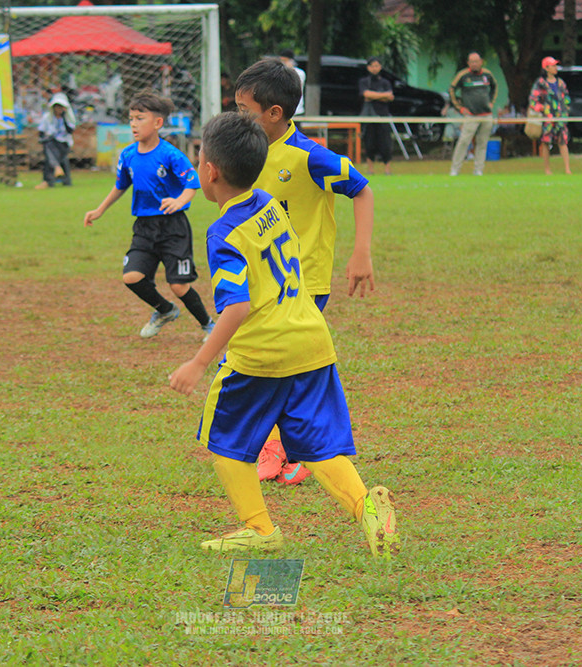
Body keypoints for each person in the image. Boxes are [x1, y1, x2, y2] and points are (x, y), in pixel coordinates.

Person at [168, 112, 399, 559]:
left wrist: (199, 363)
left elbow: (236, 306)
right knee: (316, 447)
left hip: (262, 353)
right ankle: (370, 510)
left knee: (224, 441)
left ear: (210, 171)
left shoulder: (224, 232)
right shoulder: (272, 203)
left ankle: (260, 530)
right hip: (312, 339)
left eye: (199, 160)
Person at [234, 58, 375, 484]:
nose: (238, 118)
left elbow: (362, 189)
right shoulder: (250, 153)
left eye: (245, 111)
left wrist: (361, 253)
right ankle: (291, 448)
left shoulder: (308, 156)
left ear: (274, 113)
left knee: (284, 366)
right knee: (275, 365)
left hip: (303, 283)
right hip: (261, 282)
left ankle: (289, 450)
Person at [83, 91, 214, 340]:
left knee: (178, 285)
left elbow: (192, 182)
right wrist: (100, 209)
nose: (133, 124)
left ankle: (208, 324)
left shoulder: (170, 154)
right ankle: (165, 310)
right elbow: (121, 185)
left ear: (157, 123)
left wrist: (179, 201)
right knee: (132, 277)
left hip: (173, 226)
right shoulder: (128, 155)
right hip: (144, 226)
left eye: (140, 118)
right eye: (131, 118)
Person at [448, 52, 499, 176]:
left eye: (476, 61)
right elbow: (452, 89)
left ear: (481, 61)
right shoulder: (463, 75)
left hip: (486, 115)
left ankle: (478, 170)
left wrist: (492, 102)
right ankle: (455, 170)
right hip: (471, 115)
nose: (474, 64)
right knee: (464, 142)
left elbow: (495, 86)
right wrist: (460, 108)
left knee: (482, 143)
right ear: (468, 63)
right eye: (472, 62)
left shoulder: (487, 74)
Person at [529, 57, 572, 175]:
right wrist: (543, 109)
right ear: (546, 68)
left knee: (563, 141)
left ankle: (567, 169)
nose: (555, 68)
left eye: (555, 65)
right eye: (552, 66)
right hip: (547, 119)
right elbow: (533, 100)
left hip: (560, 117)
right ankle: (547, 169)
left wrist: (566, 109)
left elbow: (567, 98)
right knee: (546, 143)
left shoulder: (561, 83)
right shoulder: (540, 83)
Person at [358, 56, 395, 175]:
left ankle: (387, 170)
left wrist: (374, 96)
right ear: (368, 67)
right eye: (372, 66)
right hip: (369, 118)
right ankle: (370, 169)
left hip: (383, 116)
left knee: (385, 143)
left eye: (377, 65)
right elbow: (366, 95)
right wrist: (382, 96)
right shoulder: (364, 81)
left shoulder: (385, 82)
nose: (375, 68)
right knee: (369, 143)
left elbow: (390, 97)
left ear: (380, 67)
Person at [35, 92, 75, 190]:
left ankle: (50, 177)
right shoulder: (47, 117)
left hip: (63, 143)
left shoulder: (68, 117)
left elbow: (70, 131)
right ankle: (57, 169)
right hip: (51, 141)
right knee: (49, 145)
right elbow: (41, 132)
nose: (58, 109)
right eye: (57, 107)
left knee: (49, 152)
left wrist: (64, 118)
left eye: (61, 107)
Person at [278, 49, 306, 116]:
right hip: (283, 110)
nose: (283, 63)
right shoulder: (278, 73)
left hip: (297, 111)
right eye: (281, 60)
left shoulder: (300, 73)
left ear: (291, 61)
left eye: (285, 60)